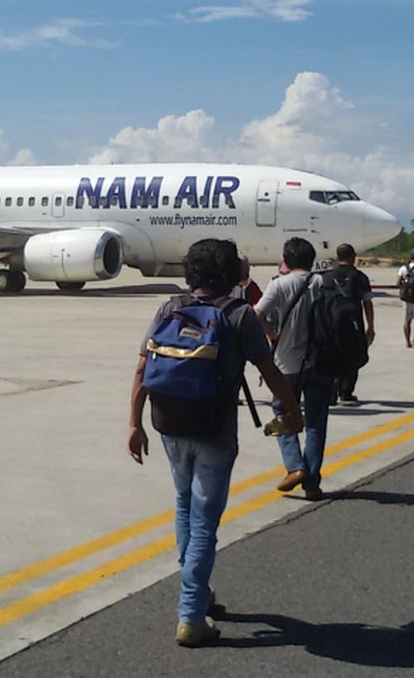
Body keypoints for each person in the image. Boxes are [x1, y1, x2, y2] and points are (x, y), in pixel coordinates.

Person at [129, 238, 303, 648]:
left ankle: (200, 593)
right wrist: (292, 413)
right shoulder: (239, 315)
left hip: (168, 423)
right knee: (205, 521)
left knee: (185, 506)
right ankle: (191, 615)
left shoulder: (169, 308)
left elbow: (141, 368)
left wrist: (134, 424)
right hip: (214, 429)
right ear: (231, 275)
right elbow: (270, 370)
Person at [253, 237, 335, 502]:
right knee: (316, 420)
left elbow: (257, 314)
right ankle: (312, 482)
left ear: (285, 261)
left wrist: (272, 335)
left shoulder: (279, 284)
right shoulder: (325, 283)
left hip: (287, 362)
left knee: (282, 411)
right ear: (312, 260)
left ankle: (294, 466)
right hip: (320, 361)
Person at [328, 243, 374, 403]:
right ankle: (346, 391)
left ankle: (331, 391)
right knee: (354, 354)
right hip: (353, 322)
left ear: (337, 257)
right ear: (353, 257)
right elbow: (367, 303)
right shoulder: (360, 277)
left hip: (331, 321)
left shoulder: (327, 276)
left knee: (332, 355)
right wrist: (371, 327)